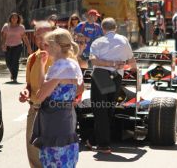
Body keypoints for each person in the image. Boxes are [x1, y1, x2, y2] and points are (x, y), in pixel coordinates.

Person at [31, 28, 83, 167]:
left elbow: (40, 96)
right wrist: (42, 65)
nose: (45, 47)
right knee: (65, 155)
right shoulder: (71, 64)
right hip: (65, 116)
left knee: (54, 157)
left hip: (54, 119)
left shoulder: (60, 67)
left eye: (48, 44)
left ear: (56, 46)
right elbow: (80, 88)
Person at [86, 17, 137, 153]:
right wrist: (135, 71)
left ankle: (103, 145)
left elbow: (93, 61)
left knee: (100, 110)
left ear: (102, 29)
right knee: (108, 110)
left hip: (101, 76)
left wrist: (110, 64)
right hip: (116, 77)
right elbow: (131, 60)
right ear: (116, 28)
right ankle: (93, 140)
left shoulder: (98, 41)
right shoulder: (123, 40)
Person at [19, 21, 53, 168]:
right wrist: (25, 91)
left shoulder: (61, 58)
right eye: (38, 35)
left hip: (54, 112)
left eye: (44, 35)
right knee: (34, 155)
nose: (41, 39)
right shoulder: (32, 58)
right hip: (35, 110)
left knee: (53, 156)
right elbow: (29, 84)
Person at [1, 12, 32, 83]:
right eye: (12, 17)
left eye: (16, 17)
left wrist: (28, 47)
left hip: (18, 46)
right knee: (8, 62)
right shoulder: (6, 26)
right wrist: (3, 45)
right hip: (8, 46)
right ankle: (12, 73)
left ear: (18, 19)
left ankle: (14, 77)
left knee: (15, 61)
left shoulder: (21, 27)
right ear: (10, 18)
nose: (14, 19)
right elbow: (3, 37)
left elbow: (24, 37)